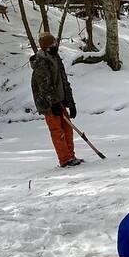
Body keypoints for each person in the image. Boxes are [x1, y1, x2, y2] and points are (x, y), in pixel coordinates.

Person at [30, 32, 82, 168]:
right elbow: (44, 86)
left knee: (68, 130)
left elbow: (64, 82)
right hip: (49, 103)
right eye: (53, 44)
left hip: (60, 100)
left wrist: (71, 103)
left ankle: (71, 156)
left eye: (55, 43)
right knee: (57, 131)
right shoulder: (41, 62)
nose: (56, 45)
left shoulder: (56, 58)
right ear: (46, 47)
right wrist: (53, 103)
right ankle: (65, 159)